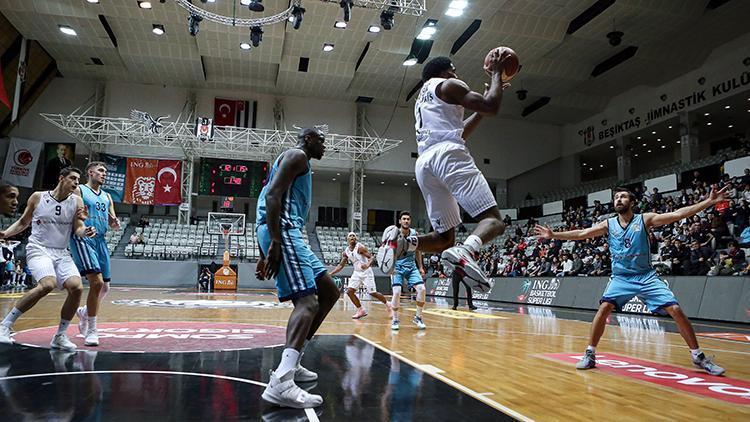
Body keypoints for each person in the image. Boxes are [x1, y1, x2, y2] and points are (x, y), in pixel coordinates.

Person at [535, 186, 727, 376]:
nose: (618, 199)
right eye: (616, 197)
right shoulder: (608, 224)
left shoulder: (644, 219)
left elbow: (677, 214)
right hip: (621, 278)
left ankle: (698, 356)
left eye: (623, 197)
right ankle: (590, 354)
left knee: (675, 310)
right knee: (604, 309)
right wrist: (554, 235)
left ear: (632, 203)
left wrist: (709, 202)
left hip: (646, 276)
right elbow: (581, 233)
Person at [377, 53, 512, 290]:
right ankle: (466, 250)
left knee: (444, 239)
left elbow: (459, 131)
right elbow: (492, 106)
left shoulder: (423, 99)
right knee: (494, 220)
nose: (457, 75)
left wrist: (488, 96)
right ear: (445, 72)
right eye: (454, 70)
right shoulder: (449, 84)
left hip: (425, 163)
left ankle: (404, 243)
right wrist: (496, 74)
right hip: (447, 156)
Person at [255, 128, 340, 409]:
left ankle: (294, 359)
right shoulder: (297, 156)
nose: (325, 145)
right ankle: (282, 380)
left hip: (289, 233)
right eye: (322, 140)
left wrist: (263, 247)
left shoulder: (296, 161)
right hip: (285, 231)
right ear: (309, 139)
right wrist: (274, 241)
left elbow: (267, 197)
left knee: (329, 291)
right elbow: (271, 197)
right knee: (307, 302)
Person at [0, 167, 96, 350]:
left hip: (61, 252)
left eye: (78, 179)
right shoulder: (38, 197)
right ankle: (5, 325)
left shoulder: (77, 201)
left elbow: (78, 227)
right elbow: (23, 222)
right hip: (39, 248)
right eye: (73, 178)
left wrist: (86, 232)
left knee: (76, 288)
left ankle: (60, 336)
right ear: (61, 178)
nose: (77, 182)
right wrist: (5, 233)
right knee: (47, 284)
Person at [70, 162, 121, 347]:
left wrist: (115, 224)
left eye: (105, 171)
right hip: (84, 238)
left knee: (105, 288)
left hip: (101, 240)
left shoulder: (107, 196)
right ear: (90, 172)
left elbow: (112, 221)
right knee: (97, 283)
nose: (104, 174)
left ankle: (84, 312)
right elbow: (74, 215)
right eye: (101, 170)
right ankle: (91, 329)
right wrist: (81, 228)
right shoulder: (80, 191)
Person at [329, 232, 392, 320]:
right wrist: (331, 274)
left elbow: (371, 257)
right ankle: (361, 310)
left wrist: (367, 265)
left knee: (372, 293)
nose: (352, 237)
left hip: (366, 272)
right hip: (357, 272)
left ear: (356, 238)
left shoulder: (360, 247)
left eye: (354, 236)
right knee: (349, 292)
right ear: (347, 239)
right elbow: (341, 265)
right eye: (350, 236)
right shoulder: (346, 251)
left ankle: (388, 304)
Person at [388, 212, 427, 330]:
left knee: (422, 289)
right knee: (397, 292)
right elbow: (388, 252)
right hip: (397, 267)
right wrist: (390, 266)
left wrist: (420, 266)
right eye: (404, 219)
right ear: (400, 221)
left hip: (411, 266)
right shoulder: (394, 235)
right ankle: (395, 319)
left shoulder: (415, 234)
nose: (406, 221)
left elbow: (418, 251)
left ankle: (418, 317)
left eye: (408, 219)